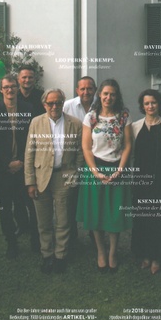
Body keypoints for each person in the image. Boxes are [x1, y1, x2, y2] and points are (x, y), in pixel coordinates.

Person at [76, 79, 132, 273]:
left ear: (117, 96)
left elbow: (127, 145)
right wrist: (95, 172)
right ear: (99, 94)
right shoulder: (91, 117)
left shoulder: (124, 116)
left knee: (114, 214)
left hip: (117, 170)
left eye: (112, 94)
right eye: (105, 93)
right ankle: (101, 251)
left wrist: (120, 170)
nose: (109, 97)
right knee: (96, 213)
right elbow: (86, 147)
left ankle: (113, 253)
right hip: (95, 170)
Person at [25, 89, 83, 274]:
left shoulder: (75, 123)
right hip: (41, 177)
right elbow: (29, 153)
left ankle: (60, 256)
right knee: (43, 221)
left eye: (58, 102)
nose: (55, 106)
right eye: (51, 103)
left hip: (64, 176)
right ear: (45, 105)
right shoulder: (36, 122)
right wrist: (30, 182)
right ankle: (47, 255)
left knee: (63, 221)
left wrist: (75, 173)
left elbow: (80, 153)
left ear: (63, 103)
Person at [0, 75, 34, 258]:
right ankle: (11, 242)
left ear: (17, 87)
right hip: (3, 168)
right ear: (1, 90)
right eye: (6, 87)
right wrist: (8, 162)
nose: (10, 90)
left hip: (23, 165)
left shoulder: (28, 109)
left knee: (24, 201)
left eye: (13, 86)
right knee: (5, 206)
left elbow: (32, 138)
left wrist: (21, 161)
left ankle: (30, 233)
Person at [131, 89, 161, 274]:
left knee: (159, 220)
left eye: (153, 102)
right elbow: (131, 156)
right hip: (141, 182)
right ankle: (145, 254)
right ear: (142, 106)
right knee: (143, 219)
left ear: (159, 104)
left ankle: (158, 257)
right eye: (147, 103)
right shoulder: (135, 127)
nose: (150, 106)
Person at [63, 75, 97, 245]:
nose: (86, 92)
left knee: (93, 198)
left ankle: (94, 233)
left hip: (95, 159)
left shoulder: (101, 105)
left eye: (89, 88)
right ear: (77, 90)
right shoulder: (68, 106)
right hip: (73, 159)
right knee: (71, 198)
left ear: (95, 90)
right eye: (82, 89)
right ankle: (72, 236)